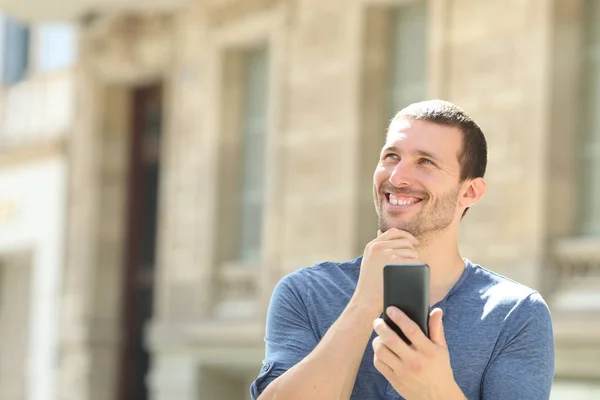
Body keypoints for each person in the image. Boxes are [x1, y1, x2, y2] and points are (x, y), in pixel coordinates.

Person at [250, 100, 555, 400]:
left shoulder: (516, 313)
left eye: (425, 162)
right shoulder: (305, 292)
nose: (397, 178)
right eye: (392, 156)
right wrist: (364, 303)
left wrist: (436, 393)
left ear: (470, 191)